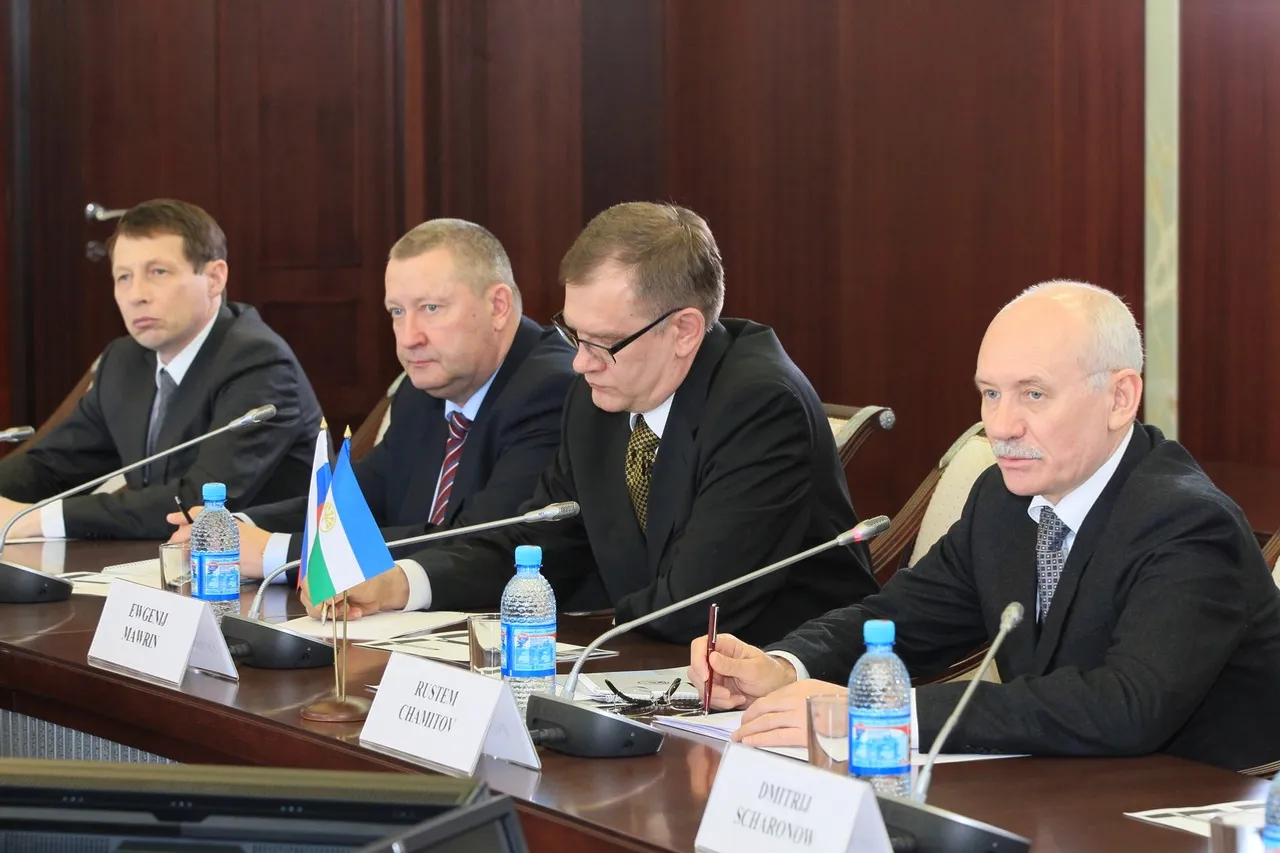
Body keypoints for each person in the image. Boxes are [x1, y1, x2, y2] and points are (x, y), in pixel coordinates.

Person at [687, 281, 1280, 772]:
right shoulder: (1003, 499)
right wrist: (785, 665)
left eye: (1034, 394)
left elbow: (1125, 705)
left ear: (1120, 398)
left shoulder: (1187, 523)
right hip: (1061, 791)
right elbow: (902, 619)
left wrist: (885, 713)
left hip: (1195, 808)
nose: (1002, 425)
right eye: (990, 394)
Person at [303, 202, 878, 645]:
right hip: (654, 670)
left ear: (683, 331)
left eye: (602, 342)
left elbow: (694, 604)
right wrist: (403, 581)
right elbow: (537, 544)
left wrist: (575, 626)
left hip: (790, 687)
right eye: (572, 334)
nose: (579, 363)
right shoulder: (598, 397)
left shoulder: (759, 405)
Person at [166, 219, 577, 580]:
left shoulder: (549, 390)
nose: (409, 337)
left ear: (498, 306)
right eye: (397, 312)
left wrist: (275, 552)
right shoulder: (422, 391)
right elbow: (353, 500)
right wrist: (234, 525)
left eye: (431, 308)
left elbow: (476, 541)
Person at [0, 199, 322, 541]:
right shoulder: (124, 360)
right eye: (124, 277)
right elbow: (53, 466)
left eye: (158, 272)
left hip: (261, 567)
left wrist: (37, 520)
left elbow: (200, 501)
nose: (136, 295)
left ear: (214, 278)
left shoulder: (258, 363)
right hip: (154, 558)